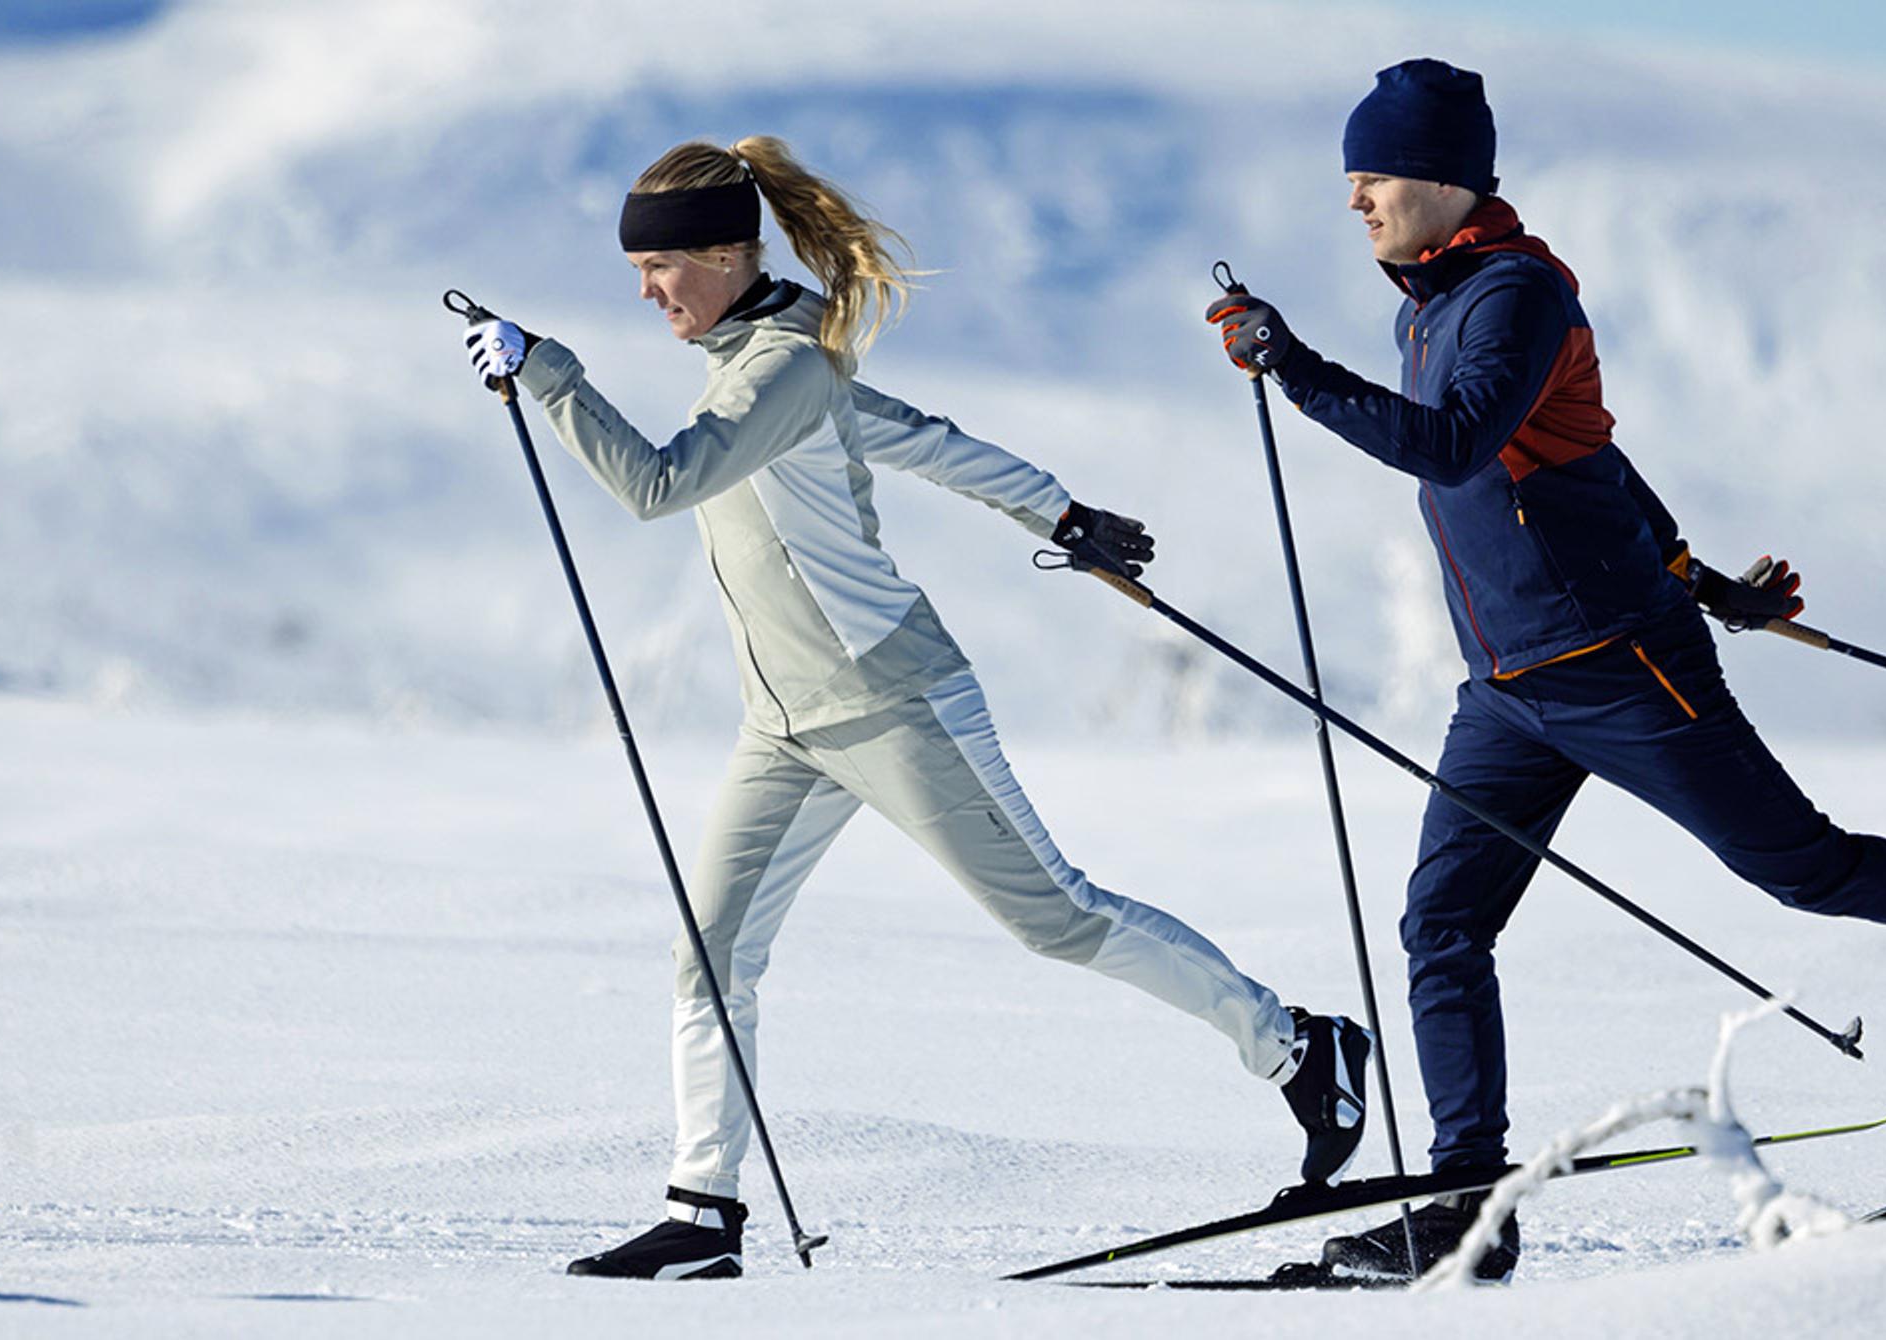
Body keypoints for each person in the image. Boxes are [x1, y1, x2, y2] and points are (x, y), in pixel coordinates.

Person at [1200, 60, 1886, 1283]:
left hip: (1617, 662)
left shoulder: (1512, 295)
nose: (1357, 202)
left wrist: (1292, 364)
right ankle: (1464, 1209)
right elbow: (1582, 452)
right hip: (1508, 688)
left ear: (1446, 178)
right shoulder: (1426, 303)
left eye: (1375, 177)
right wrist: (1705, 572)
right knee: (1443, 922)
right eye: (1352, 180)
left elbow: (1453, 449)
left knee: (1804, 869)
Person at [464, 135, 1374, 1281]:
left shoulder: (782, 370)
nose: (647, 293)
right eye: (638, 275)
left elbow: (659, 485)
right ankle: (702, 1214)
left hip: (897, 699)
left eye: (661, 270)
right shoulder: (773, 365)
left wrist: (550, 373)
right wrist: (1061, 512)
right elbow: (925, 442)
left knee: (1057, 916)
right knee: (713, 952)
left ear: (728, 253)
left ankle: (1299, 1045)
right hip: (786, 723)